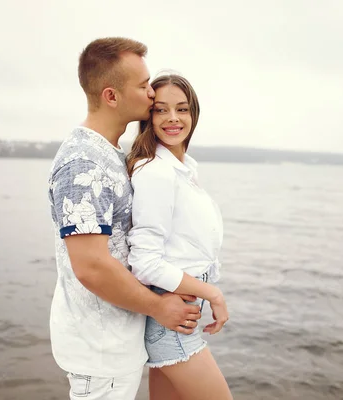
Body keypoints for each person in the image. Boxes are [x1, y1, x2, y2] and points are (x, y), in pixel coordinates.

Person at [47, 38, 202, 400]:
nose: (151, 94)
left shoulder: (111, 155)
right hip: (100, 351)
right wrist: (159, 307)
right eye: (143, 85)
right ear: (111, 96)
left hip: (118, 344)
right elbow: (92, 267)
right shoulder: (84, 163)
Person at [126, 74, 233, 400]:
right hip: (171, 320)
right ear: (149, 117)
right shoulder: (156, 171)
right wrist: (211, 293)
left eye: (182, 109)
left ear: (193, 114)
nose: (173, 118)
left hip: (177, 311)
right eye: (161, 110)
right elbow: (143, 263)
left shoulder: (181, 168)